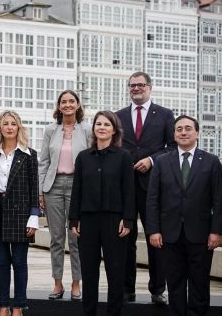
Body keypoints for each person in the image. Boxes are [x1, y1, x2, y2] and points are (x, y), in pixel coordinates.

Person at [147, 115, 222, 316]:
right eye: (179, 129)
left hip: (200, 234)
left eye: (188, 128)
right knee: (175, 284)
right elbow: (153, 199)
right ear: (173, 134)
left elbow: (219, 201)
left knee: (199, 283)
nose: (183, 132)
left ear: (197, 133)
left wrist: (217, 231)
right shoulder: (162, 162)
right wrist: (154, 230)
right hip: (169, 234)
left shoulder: (211, 162)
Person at [115, 71, 175, 305]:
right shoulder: (118, 116)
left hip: (153, 187)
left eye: (140, 85)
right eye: (132, 85)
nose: (136, 89)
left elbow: (172, 148)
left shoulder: (165, 115)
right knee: (125, 240)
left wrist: (151, 160)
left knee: (155, 239)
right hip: (125, 187)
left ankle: (158, 290)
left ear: (150, 87)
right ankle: (126, 289)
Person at [69, 110, 135, 316]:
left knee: (115, 272)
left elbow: (129, 191)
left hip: (114, 221)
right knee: (89, 272)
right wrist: (74, 219)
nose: (102, 128)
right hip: (87, 220)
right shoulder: (83, 157)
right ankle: (89, 312)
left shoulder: (124, 157)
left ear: (114, 130)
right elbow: (76, 190)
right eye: (98, 124)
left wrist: (128, 219)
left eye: (107, 124)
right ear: (94, 129)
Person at [0, 110, 40, 316]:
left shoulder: (29, 155)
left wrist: (34, 217)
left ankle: (19, 306)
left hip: (21, 214)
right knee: (2, 263)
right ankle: (3, 306)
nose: (9, 127)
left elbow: (34, 188)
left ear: (19, 127)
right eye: (5, 123)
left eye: (13, 124)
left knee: (19, 263)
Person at [38, 90, 92, 301]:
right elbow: (43, 162)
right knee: (56, 239)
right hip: (53, 186)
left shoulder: (87, 130)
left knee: (76, 238)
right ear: (59, 106)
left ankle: (76, 283)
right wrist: (41, 191)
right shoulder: (51, 130)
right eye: (64, 102)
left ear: (78, 105)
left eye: (72, 101)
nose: (68, 105)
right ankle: (57, 282)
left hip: (78, 187)